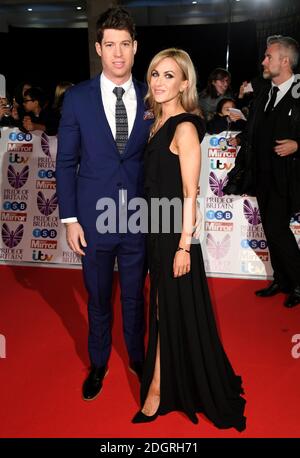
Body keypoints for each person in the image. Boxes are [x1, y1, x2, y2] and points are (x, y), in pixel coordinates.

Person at [132, 48, 246, 431]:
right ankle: (168, 383)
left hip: (174, 237)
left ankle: (158, 390)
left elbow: (189, 191)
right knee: (165, 309)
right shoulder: (154, 123)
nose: (160, 82)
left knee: (169, 309)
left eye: (169, 76)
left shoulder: (184, 126)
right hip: (155, 229)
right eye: (155, 74)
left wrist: (184, 245)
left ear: (185, 83)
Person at [56, 7, 153, 400]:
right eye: (109, 45)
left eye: (124, 45)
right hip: (92, 220)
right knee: (97, 297)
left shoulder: (153, 94)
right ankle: (98, 362)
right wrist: (70, 218)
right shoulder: (78, 98)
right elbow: (65, 162)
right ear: (99, 48)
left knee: (135, 295)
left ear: (135, 48)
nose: (117, 53)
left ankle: (137, 357)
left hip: (138, 216)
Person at [224, 35, 300, 308]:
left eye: (269, 57)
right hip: (262, 176)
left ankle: (297, 282)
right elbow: (258, 127)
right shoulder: (266, 92)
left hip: (287, 176)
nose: (263, 61)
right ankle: (282, 280)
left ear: (285, 61)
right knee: (270, 229)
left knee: (278, 230)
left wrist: (297, 144)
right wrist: (241, 139)